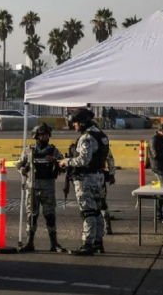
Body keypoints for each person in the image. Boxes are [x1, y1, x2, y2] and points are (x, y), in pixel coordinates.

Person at [59, 108, 108, 256]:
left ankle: (87, 244)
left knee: (88, 212)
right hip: (98, 177)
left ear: (82, 122)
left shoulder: (87, 138)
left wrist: (65, 161)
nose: (74, 125)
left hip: (86, 178)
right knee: (97, 211)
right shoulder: (101, 135)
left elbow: (83, 160)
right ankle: (98, 242)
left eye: (75, 123)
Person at [17, 123, 66, 253]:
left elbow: (64, 165)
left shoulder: (53, 150)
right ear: (36, 136)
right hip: (32, 188)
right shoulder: (29, 150)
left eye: (47, 135)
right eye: (43, 135)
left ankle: (54, 243)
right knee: (31, 216)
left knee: (50, 215)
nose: (45, 137)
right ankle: (29, 243)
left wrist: (55, 161)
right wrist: (22, 169)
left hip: (48, 188)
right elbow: (19, 164)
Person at [101, 146, 116, 234]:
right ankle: (107, 226)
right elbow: (110, 159)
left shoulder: (83, 140)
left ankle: (105, 226)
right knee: (102, 201)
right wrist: (111, 174)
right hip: (99, 175)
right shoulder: (101, 140)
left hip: (87, 177)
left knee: (90, 204)